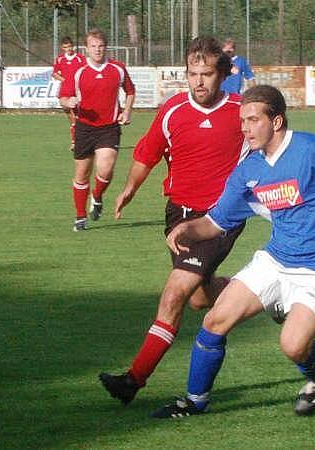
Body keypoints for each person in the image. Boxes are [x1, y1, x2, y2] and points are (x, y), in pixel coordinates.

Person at [151, 85, 315, 418]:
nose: (245, 128)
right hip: (276, 259)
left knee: (293, 347)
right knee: (215, 318)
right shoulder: (250, 169)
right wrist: (188, 228)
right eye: (242, 121)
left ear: (276, 121)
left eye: (252, 120)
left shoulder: (313, 149)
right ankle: (194, 402)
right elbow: (217, 222)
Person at [98, 36, 250, 405]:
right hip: (177, 215)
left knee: (174, 294)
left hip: (219, 218)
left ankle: (132, 381)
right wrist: (130, 189)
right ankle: (264, 295)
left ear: (224, 74)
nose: (199, 82)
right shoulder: (172, 110)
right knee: (199, 298)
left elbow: (275, 152)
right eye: (192, 74)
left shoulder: (242, 111)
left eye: (207, 74)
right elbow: (148, 153)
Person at [60, 29, 135, 231]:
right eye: (93, 46)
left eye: (101, 46)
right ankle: (80, 216)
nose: (97, 50)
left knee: (105, 169)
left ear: (106, 47)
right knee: (82, 174)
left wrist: (127, 112)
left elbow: (130, 90)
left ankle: (98, 195)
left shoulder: (117, 68)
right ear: (87, 49)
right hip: (84, 128)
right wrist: (69, 101)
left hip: (109, 128)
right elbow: (63, 98)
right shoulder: (78, 71)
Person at [52, 36, 85, 151]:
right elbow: (55, 73)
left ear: (73, 47)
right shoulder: (60, 59)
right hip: (64, 92)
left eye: (70, 46)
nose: (68, 49)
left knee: (74, 117)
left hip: (76, 93)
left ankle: (74, 142)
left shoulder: (80, 58)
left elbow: (85, 72)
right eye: (66, 47)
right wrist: (64, 80)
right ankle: (76, 139)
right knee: (71, 116)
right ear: (62, 48)